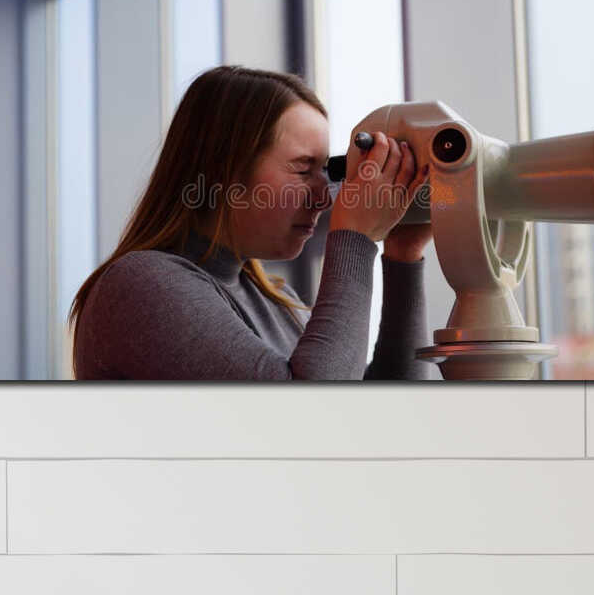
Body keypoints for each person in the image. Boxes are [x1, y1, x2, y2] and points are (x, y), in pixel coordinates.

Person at [69, 64, 438, 380]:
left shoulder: (277, 300)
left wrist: (403, 254)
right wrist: (354, 237)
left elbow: (380, 416)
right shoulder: (140, 287)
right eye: (302, 169)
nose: (324, 197)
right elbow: (314, 419)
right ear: (224, 169)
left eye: (324, 170)